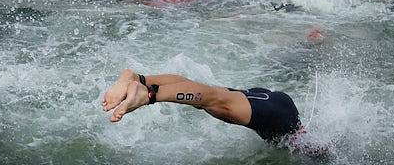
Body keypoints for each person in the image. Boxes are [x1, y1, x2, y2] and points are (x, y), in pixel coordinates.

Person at [101, 68, 308, 148]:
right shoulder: (299, 140)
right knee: (214, 100)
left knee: (210, 97)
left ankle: (139, 79)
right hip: (279, 117)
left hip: (268, 100)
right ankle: (148, 94)